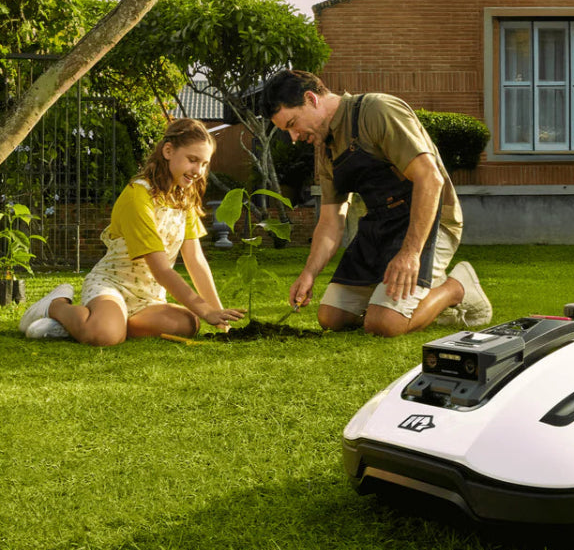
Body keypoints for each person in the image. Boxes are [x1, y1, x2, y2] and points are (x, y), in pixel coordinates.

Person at [263, 69, 492, 338]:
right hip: (379, 226)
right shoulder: (325, 150)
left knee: (384, 324)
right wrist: (309, 274)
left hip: (428, 223)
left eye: (292, 124)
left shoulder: (376, 111)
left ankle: (456, 287)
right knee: (331, 317)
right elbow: (331, 221)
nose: (293, 137)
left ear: (311, 99)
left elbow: (430, 179)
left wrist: (410, 254)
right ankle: (409, 295)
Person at [19, 118, 245, 345]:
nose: (198, 171)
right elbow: (162, 270)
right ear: (168, 151)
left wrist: (218, 318)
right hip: (112, 285)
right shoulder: (138, 195)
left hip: (149, 297)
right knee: (106, 336)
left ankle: (101, 321)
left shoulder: (183, 199)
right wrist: (205, 310)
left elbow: (196, 260)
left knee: (190, 323)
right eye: (192, 160)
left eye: (204, 164)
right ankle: (57, 305)